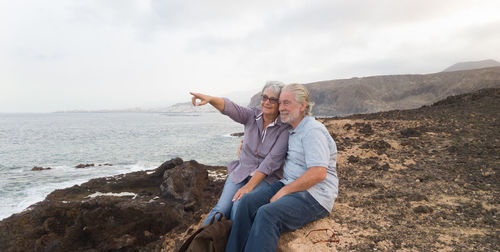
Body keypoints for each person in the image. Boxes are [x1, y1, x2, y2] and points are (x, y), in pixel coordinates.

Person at [226, 83, 338, 252]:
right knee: (245, 202)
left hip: (315, 195)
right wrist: (244, 150)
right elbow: (273, 155)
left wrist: (284, 192)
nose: (281, 108)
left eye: (287, 103)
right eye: (281, 103)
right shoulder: (292, 129)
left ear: (302, 106)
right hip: (290, 184)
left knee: (267, 214)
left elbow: (318, 173)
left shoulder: (312, 131)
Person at [190, 81, 290, 226]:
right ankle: (199, 243)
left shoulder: (284, 127)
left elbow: (271, 162)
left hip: (266, 179)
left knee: (238, 208)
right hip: (241, 171)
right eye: (264, 97)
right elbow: (230, 108)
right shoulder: (251, 115)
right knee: (221, 209)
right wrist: (211, 99)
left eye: (273, 99)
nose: (267, 102)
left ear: (280, 103)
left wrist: (249, 186)